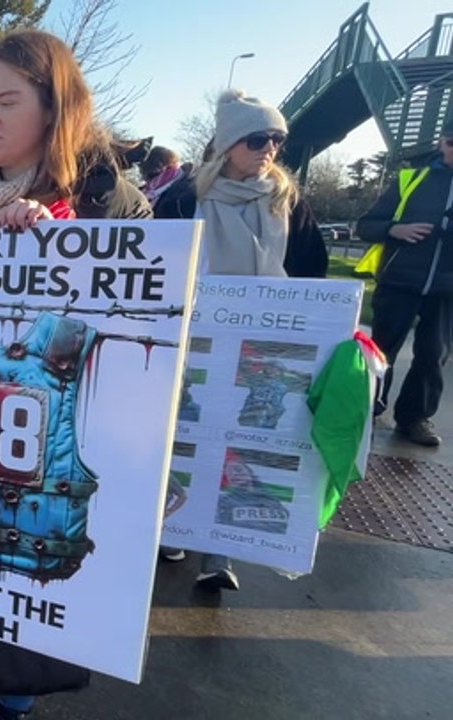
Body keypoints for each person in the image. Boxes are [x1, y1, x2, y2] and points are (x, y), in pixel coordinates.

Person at [0, 29, 154, 720]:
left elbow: (150, 328)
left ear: (54, 110)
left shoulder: (113, 203)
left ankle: (8, 700)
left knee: (26, 572)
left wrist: (63, 242)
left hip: (49, 441)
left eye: (7, 101)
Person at [158, 89, 328, 590]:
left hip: (263, 348)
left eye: (277, 139)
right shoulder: (186, 199)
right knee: (184, 437)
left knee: (243, 446)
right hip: (195, 345)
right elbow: (159, 268)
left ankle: (219, 553)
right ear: (229, 143)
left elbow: (311, 274)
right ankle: (177, 526)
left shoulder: (288, 202)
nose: (269, 149)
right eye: (257, 139)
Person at [357, 115, 453, 447]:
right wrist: (394, 230)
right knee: (381, 351)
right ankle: (367, 410)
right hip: (398, 280)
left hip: (445, 289)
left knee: (433, 354)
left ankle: (414, 418)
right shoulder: (412, 178)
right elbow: (366, 225)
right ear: (442, 142)